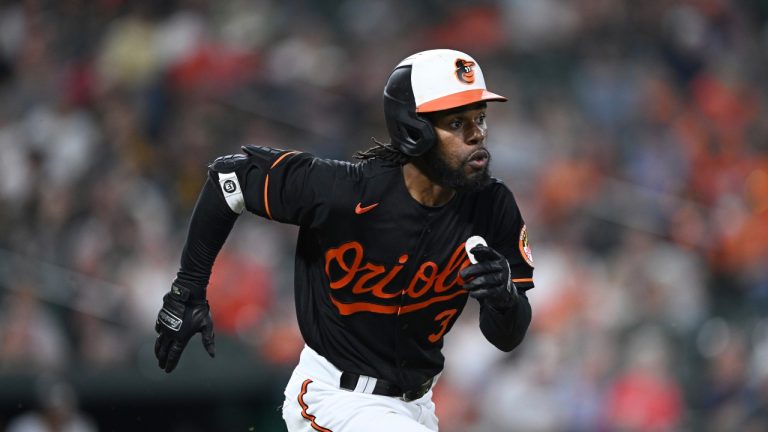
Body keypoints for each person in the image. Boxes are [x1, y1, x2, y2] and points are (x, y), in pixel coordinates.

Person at [154, 48, 535, 431]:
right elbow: (228, 181)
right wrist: (189, 287)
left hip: (417, 406)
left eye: (480, 118)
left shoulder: (492, 205)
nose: (477, 134)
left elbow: (508, 338)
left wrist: (504, 301)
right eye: (457, 123)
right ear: (413, 130)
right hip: (336, 397)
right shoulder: (345, 190)